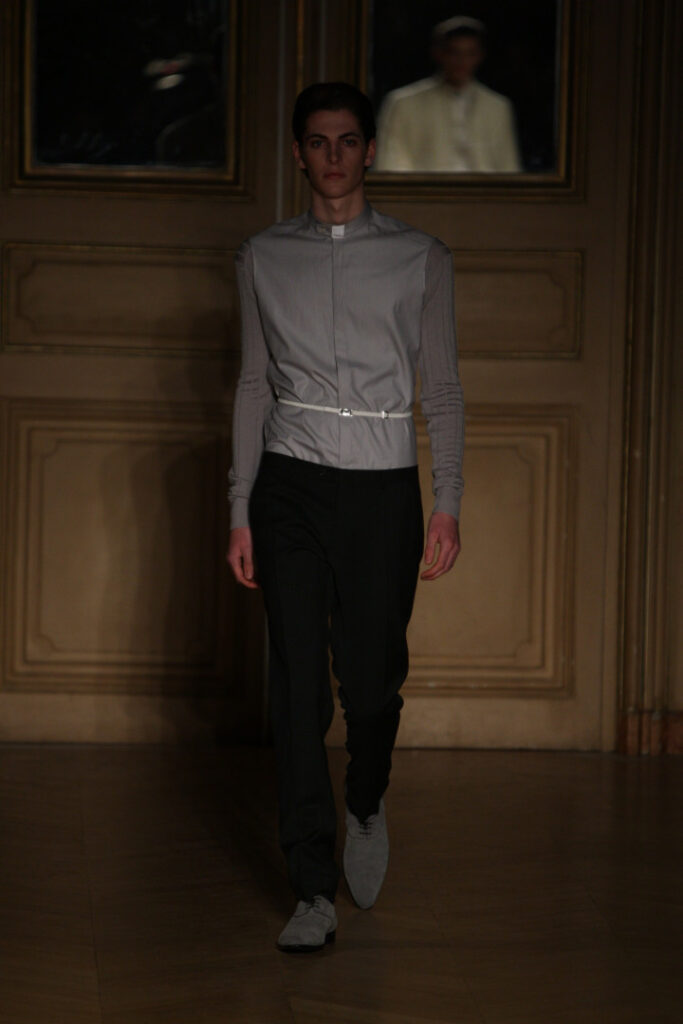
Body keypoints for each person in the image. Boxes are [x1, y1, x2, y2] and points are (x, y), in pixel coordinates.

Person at [226, 81, 465, 953]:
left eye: (348, 140)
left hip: (380, 489)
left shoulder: (419, 257)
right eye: (318, 142)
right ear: (298, 154)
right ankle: (311, 888)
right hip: (289, 483)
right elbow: (254, 384)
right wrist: (238, 508)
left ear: (369, 150)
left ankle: (365, 800)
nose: (333, 155)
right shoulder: (262, 256)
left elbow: (442, 387)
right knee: (296, 686)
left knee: (369, 687)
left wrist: (447, 503)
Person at [373, 15, 522, 173]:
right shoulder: (403, 103)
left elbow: (509, 167)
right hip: (423, 187)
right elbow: (390, 163)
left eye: (469, 53)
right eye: (454, 52)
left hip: (484, 188)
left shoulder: (497, 107)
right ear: (438, 53)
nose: (462, 61)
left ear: (479, 56)